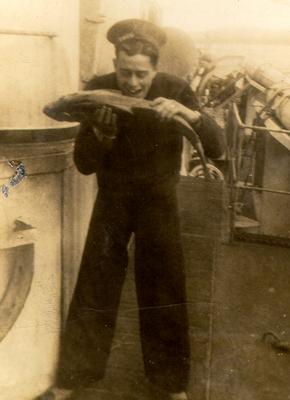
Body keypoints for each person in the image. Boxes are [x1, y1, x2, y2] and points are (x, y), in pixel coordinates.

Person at [38, 19, 225, 400]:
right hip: (113, 199)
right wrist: (101, 136)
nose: (133, 83)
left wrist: (188, 115)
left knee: (164, 286)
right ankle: (73, 378)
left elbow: (217, 147)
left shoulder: (176, 90)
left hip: (159, 200)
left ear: (156, 69)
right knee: (95, 283)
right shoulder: (97, 89)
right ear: (115, 61)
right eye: (125, 72)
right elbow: (85, 164)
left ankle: (171, 383)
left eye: (142, 74)